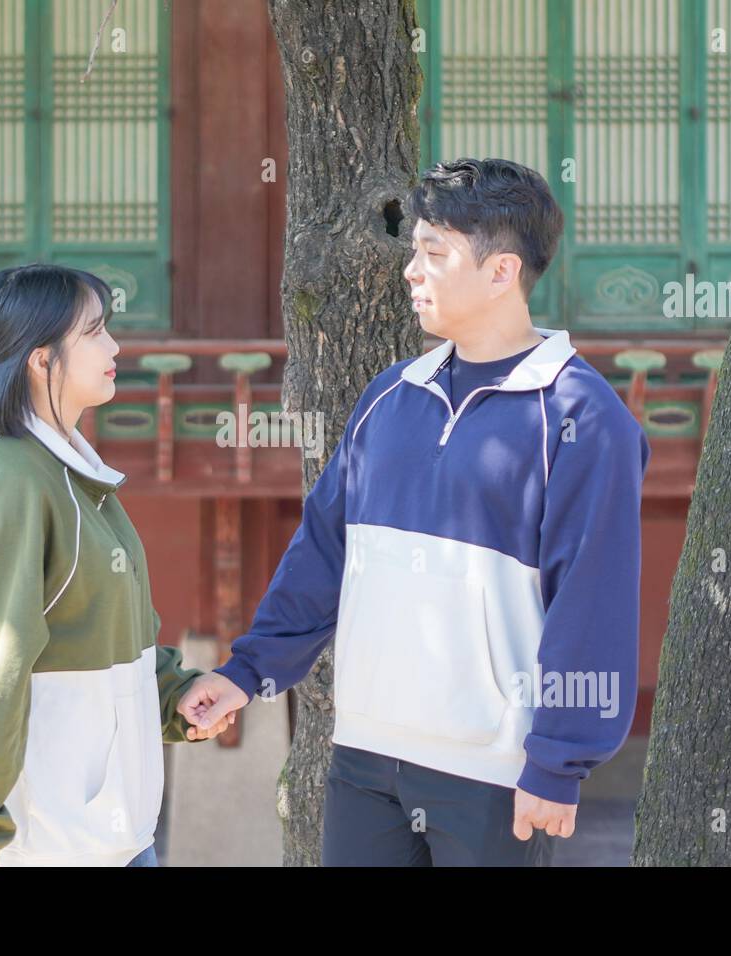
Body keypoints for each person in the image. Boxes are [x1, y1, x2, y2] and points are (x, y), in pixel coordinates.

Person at [180, 158, 651, 866]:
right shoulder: (390, 395)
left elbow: (594, 602)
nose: (411, 271)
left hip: (494, 772)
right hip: (364, 758)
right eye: (414, 252)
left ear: (501, 272)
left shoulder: (581, 418)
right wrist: (247, 672)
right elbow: (324, 550)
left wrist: (558, 761)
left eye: (435, 254)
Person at [0, 263, 232, 867]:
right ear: (41, 359)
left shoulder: (72, 471)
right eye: (94, 332)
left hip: (115, 834)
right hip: (54, 845)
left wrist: (173, 694)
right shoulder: (17, 477)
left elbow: (108, 632)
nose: (114, 346)